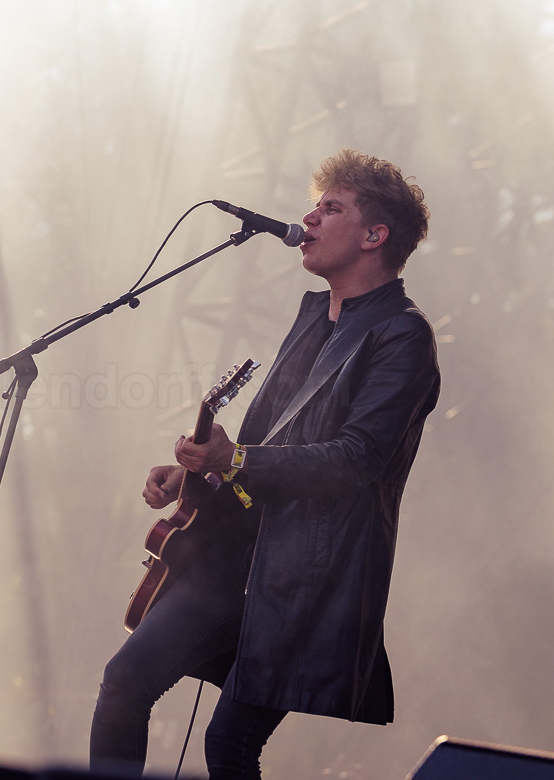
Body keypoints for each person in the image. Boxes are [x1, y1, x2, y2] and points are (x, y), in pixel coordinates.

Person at [90, 150, 441, 779]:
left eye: (330, 207)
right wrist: (198, 472)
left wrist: (236, 457)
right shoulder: (313, 318)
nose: (309, 218)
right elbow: (261, 442)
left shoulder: (403, 336)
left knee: (228, 747)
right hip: (234, 556)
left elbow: (356, 459)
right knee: (123, 684)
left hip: (305, 579)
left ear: (373, 235)